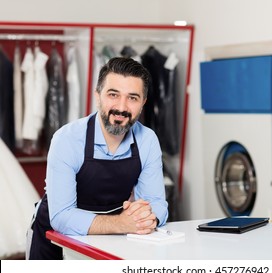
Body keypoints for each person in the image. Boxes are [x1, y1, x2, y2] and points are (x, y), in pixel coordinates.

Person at [28, 57, 168, 259]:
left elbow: (157, 203)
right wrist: (122, 223)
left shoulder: (148, 140)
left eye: (132, 98)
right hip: (53, 242)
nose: (122, 107)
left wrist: (147, 218)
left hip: (110, 241)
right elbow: (62, 217)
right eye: (113, 94)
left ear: (143, 103)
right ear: (97, 96)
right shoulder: (67, 139)